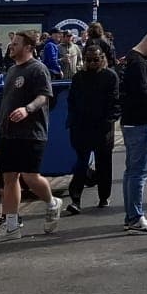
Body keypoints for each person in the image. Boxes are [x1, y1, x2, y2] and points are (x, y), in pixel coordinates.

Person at [0, 32, 61, 242]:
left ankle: (52, 203)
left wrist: (27, 109)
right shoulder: (11, 70)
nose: (11, 46)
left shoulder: (38, 69)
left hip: (31, 133)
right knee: (10, 178)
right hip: (9, 134)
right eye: (12, 43)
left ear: (28, 47)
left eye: (16, 43)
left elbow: (44, 96)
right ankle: (11, 227)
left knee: (30, 176)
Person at [116, 31, 147, 233]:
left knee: (132, 172)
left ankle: (131, 216)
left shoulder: (132, 60)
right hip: (140, 123)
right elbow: (141, 93)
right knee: (139, 172)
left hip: (132, 122)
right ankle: (135, 217)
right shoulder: (137, 63)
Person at [64, 44, 120, 215]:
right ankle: (75, 199)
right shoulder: (79, 77)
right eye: (89, 60)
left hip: (102, 127)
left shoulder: (110, 76)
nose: (92, 63)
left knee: (104, 163)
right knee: (81, 163)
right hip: (81, 126)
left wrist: (109, 120)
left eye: (96, 59)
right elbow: (71, 100)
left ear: (102, 58)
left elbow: (115, 102)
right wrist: (72, 121)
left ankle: (104, 196)